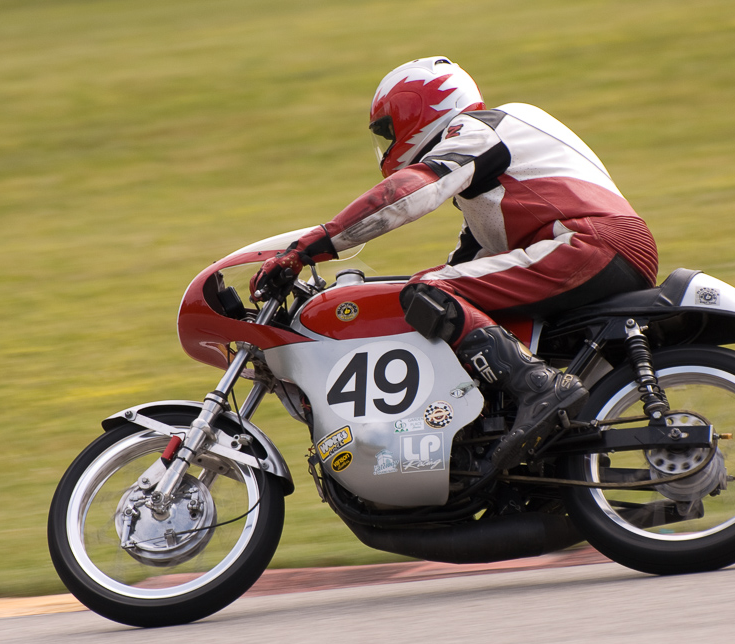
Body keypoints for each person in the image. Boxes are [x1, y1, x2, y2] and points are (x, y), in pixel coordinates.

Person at [250, 56, 658, 469]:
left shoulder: (479, 129)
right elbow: (465, 265)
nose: (387, 146)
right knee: (432, 292)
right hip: (598, 247)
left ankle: (539, 387)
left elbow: (410, 192)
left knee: (429, 290)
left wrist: (309, 246)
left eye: (387, 132)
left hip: (587, 244)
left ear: (422, 108)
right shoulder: (496, 176)